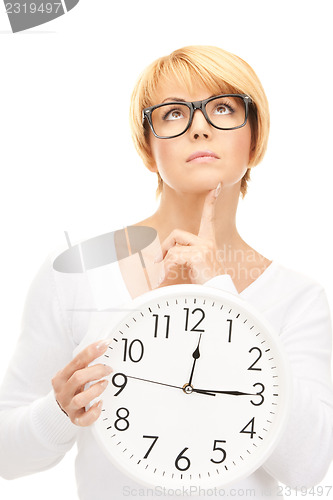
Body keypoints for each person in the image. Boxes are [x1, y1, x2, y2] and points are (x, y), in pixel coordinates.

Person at [0, 45, 333, 500]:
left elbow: (307, 467)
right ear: (147, 146)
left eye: (223, 108)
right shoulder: (76, 273)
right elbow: (7, 456)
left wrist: (220, 294)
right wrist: (58, 411)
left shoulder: (299, 298)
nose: (200, 127)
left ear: (254, 139)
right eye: (174, 114)